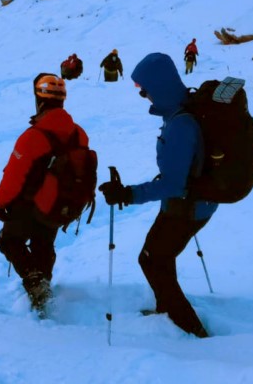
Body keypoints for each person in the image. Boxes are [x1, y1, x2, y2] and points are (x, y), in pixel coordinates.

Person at [98, 53, 214, 338]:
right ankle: (167, 309)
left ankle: (190, 328)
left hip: (188, 206)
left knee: (152, 260)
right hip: (189, 203)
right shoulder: (177, 113)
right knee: (159, 255)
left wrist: (128, 194)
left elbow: (173, 184)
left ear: (159, 85)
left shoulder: (181, 125)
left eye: (144, 90)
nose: (143, 96)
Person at [0, 73, 94, 317]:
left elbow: (14, 176)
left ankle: (36, 282)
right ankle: (43, 284)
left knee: (9, 241)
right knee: (44, 241)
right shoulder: (78, 133)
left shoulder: (33, 137)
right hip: (60, 204)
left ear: (39, 100)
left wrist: (1, 203)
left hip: (30, 204)